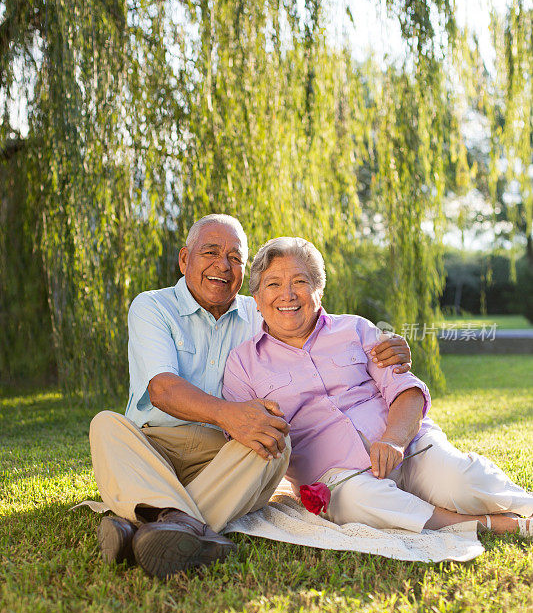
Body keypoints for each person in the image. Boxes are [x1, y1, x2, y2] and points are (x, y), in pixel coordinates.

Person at [89, 216, 412, 579]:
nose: (222, 266)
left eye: (235, 258)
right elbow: (163, 389)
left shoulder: (261, 310)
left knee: (275, 438)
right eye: (210, 252)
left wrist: (383, 345)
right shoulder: (152, 307)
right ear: (184, 260)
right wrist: (230, 414)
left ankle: (143, 526)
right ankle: (183, 529)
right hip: (152, 446)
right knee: (105, 425)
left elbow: (319, 333)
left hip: (225, 455)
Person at [222, 236, 533, 537]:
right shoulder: (242, 364)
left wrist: (394, 441)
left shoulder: (356, 329)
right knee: (361, 503)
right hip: (336, 478)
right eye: (273, 284)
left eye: (300, 282)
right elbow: (241, 434)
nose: (287, 294)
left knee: (461, 482)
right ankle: (490, 524)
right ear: (258, 299)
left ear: (319, 290)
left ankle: (524, 505)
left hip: (408, 447)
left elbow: (405, 389)